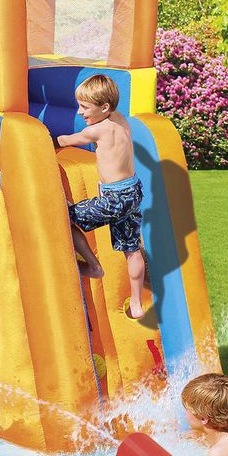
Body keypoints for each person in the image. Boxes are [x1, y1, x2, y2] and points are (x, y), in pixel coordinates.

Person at [55, 74, 147, 319]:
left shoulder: (96, 131)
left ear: (104, 107)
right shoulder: (120, 120)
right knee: (132, 249)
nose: (79, 112)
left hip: (114, 199)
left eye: (84, 107)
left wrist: (46, 138)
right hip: (133, 192)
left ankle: (93, 267)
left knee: (62, 214)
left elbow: (66, 141)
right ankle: (137, 304)